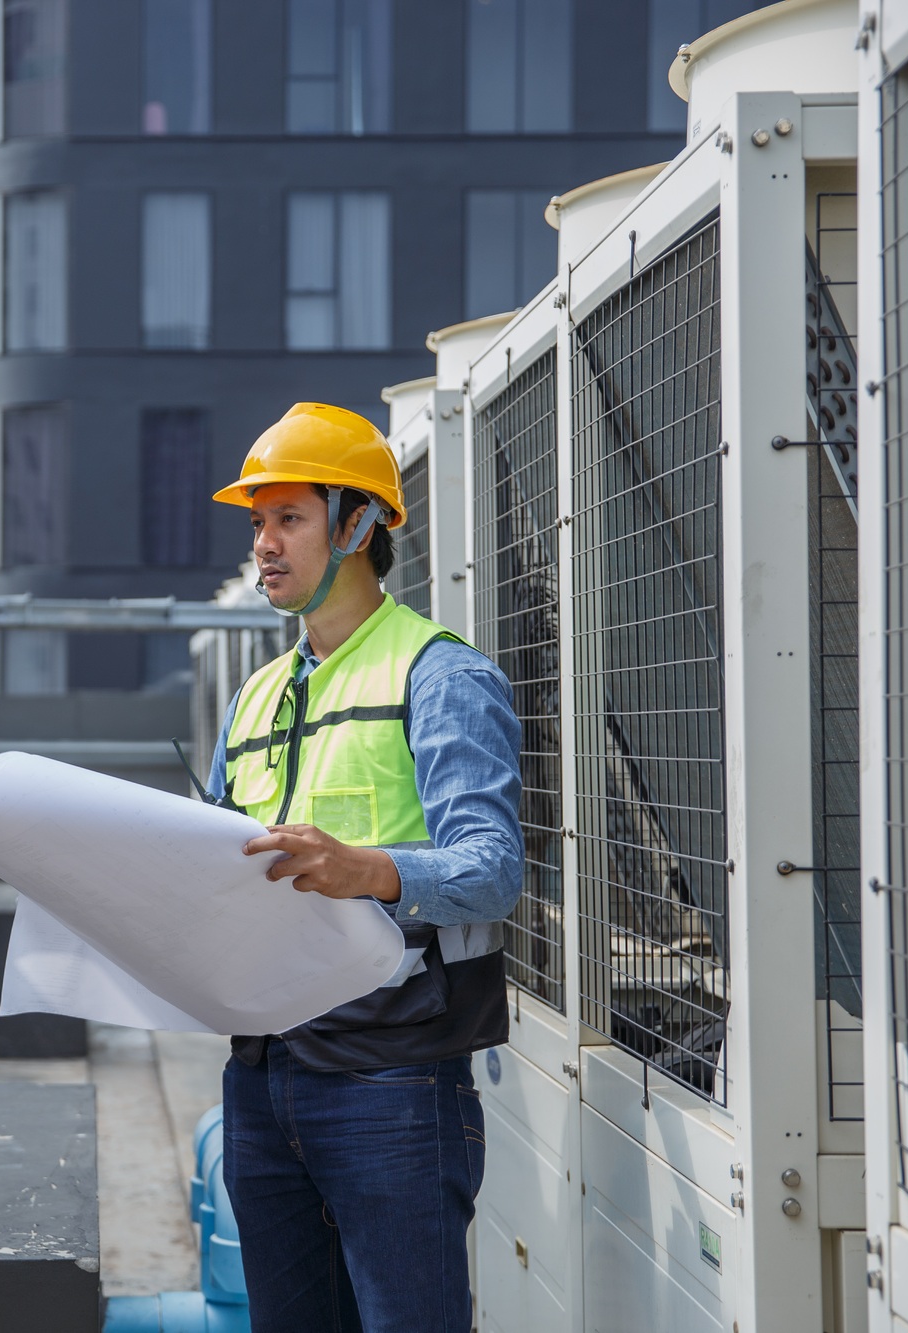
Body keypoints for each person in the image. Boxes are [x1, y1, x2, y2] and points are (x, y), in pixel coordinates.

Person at [204, 402, 524, 1333]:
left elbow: (493, 868)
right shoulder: (257, 694)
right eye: (258, 522)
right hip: (262, 1076)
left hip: (394, 1079)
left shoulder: (441, 676)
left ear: (358, 524)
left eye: (289, 517)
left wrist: (367, 869)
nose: (264, 543)